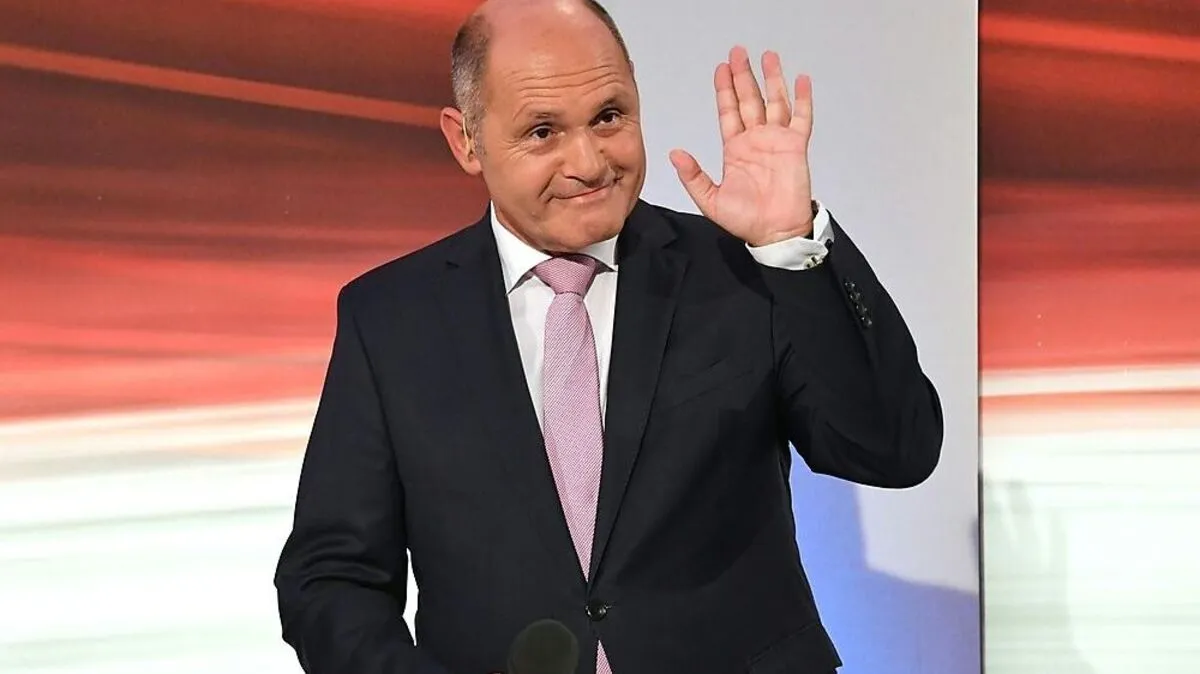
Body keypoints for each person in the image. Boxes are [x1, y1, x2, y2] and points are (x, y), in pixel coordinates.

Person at [273, 0, 943, 672]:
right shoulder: (391, 319)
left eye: (609, 117)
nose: (589, 162)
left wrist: (790, 245)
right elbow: (332, 578)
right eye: (542, 132)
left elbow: (895, 451)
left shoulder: (741, 269)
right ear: (466, 140)